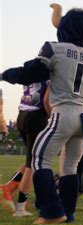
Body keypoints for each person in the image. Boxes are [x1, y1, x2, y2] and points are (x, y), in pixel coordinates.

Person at [0, 3, 83, 224]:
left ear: (65, 28)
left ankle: (52, 211)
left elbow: (31, 73)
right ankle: (68, 212)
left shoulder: (55, 49)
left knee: (39, 160)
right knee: (70, 166)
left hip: (63, 112)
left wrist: (5, 74)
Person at [1, 82, 49, 217]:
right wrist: (52, 117)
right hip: (36, 117)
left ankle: (9, 186)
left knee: (32, 159)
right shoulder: (49, 70)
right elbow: (46, 99)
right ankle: (20, 206)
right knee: (33, 163)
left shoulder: (32, 68)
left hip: (22, 114)